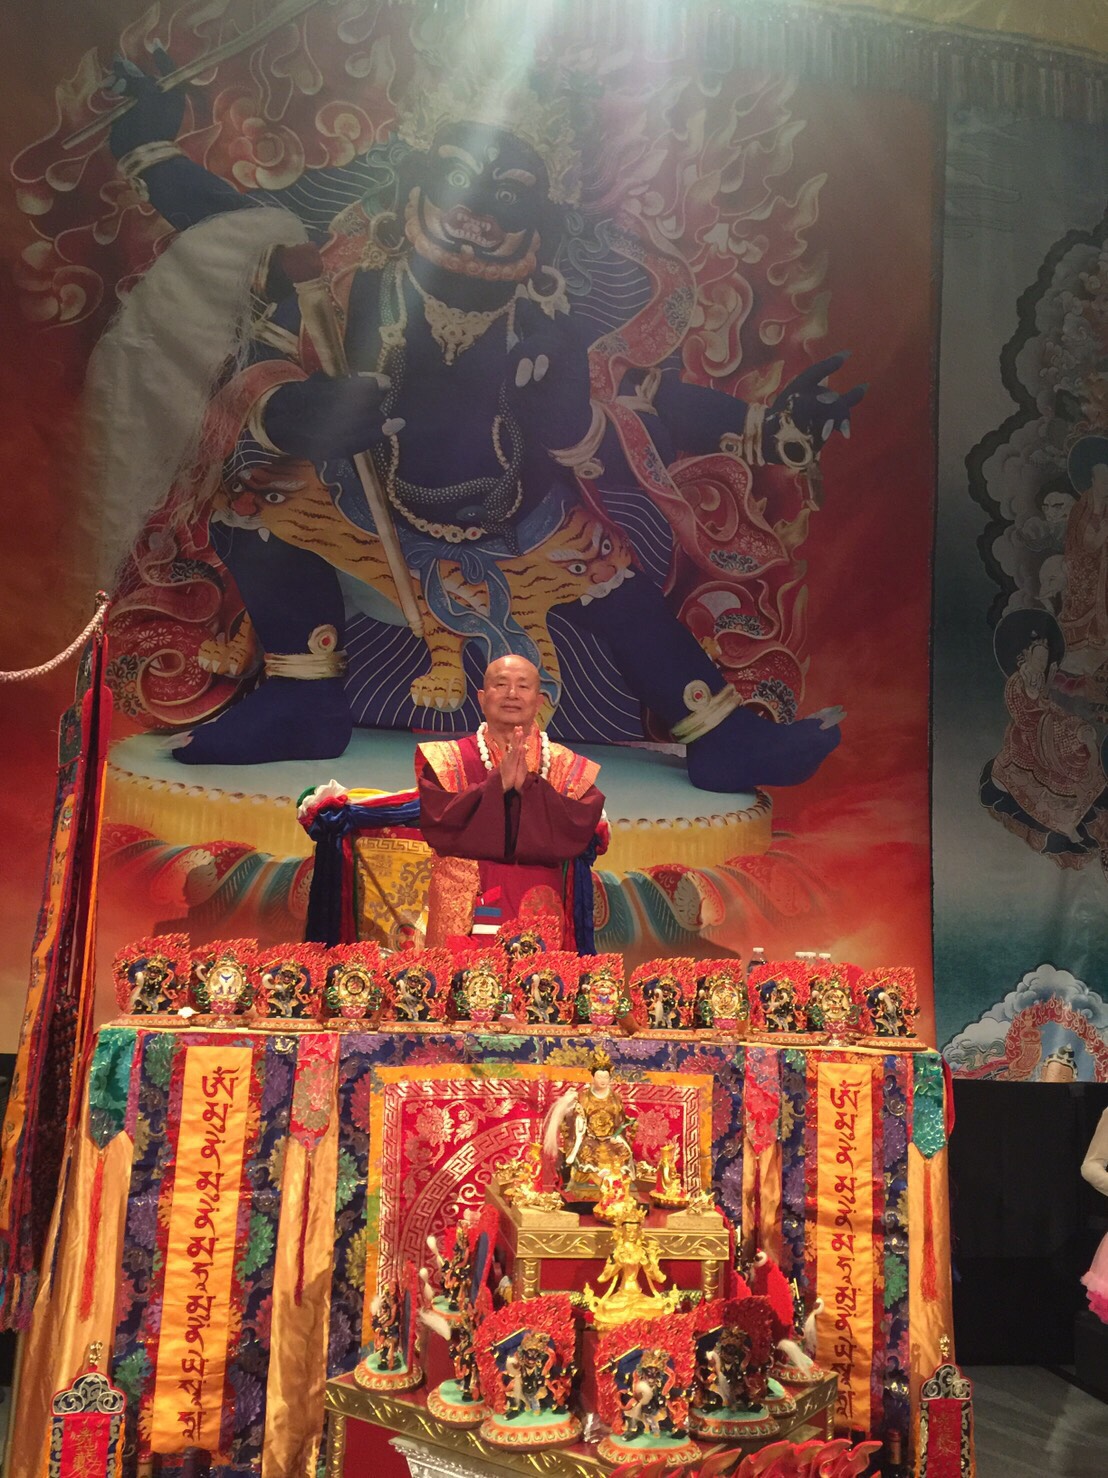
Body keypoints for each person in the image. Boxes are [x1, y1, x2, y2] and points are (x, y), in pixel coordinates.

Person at [417, 653, 604, 946]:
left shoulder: (565, 765)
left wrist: (531, 788)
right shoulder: (447, 759)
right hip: (461, 907)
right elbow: (438, 824)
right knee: (455, 975)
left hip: (537, 907)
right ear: (481, 698)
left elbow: (577, 827)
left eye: (523, 686)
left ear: (539, 701)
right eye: (501, 684)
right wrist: (497, 785)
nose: (512, 694)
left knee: (538, 976)